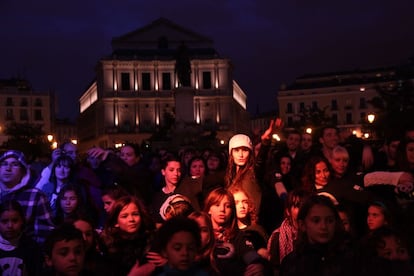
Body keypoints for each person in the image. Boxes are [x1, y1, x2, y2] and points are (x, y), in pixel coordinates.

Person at [279, 195, 360, 276]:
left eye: (330, 220)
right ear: (302, 224)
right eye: (316, 221)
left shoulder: (351, 257)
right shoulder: (292, 263)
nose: (324, 226)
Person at [203, 187, 271, 275]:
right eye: (217, 205)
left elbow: (248, 254)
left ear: (232, 211)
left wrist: (257, 264)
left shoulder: (238, 236)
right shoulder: (201, 233)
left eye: (227, 206)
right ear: (209, 209)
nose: (222, 210)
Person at [0, 150, 54, 244]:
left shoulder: (35, 196)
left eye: (15, 164)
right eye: (4, 164)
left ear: (23, 171)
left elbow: (46, 233)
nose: (8, 168)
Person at [100, 195, 155, 275]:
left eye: (135, 214)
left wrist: (167, 262)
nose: (131, 219)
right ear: (116, 223)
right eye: (124, 216)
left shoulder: (150, 238)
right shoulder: (108, 245)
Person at [87, 143, 153, 206]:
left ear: (137, 158)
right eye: (122, 155)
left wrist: (108, 156)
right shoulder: (115, 173)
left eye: (129, 155)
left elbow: (126, 172)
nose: (124, 158)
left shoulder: (142, 172)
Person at [267, 189, 310, 273]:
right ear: (288, 211)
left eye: (305, 205)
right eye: (297, 206)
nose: (302, 209)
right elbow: (275, 269)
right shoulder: (278, 236)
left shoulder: (315, 233)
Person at [0, 200, 43, 276]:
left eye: (15, 220)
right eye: (4, 221)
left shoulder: (32, 248)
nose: (10, 226)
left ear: (22, 221)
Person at [229, 186, 269, 259]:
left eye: (245, 202)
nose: (242, 206)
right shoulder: (228, 233)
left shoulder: (257, 230)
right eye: (236, 203)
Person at [149, 155, 182, 225]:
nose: (176, 174)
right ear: (163, 172)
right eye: (171, 170)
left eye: (178, 170)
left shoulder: (185, 190)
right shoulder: (157, 197)